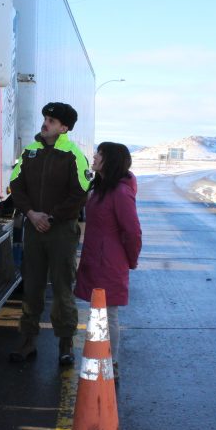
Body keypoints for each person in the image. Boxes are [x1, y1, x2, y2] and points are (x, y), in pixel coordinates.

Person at [9, 102, 91, 366]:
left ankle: (65, 345)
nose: (45, 123)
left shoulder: (74, 155)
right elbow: (15, 184)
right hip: (34, 228)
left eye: (52, 121)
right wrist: (32, 214)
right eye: (45, 118)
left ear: (64, 127)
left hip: (61, 231)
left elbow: (80, 194)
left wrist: (52, 217)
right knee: (31, 286)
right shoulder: (30, 152)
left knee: (62, 289)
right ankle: (27, 342)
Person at [73, 142, 142, 384]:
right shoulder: (101, 187)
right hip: (96, 259)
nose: (94, 156)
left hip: (109, 261)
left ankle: (111, 364)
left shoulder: (120, 193)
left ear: (109, 160)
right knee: (97, 312)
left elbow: (132, 231)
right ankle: (100, 358)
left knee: (107, 313)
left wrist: (130, 260)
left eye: (99, 154)